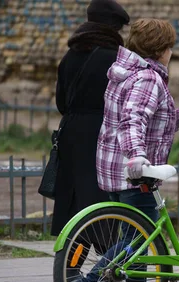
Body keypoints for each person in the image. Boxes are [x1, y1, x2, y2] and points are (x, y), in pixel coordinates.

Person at [69, 18, 179, 282]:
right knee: (138, 241)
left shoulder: (126, 72)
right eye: (170, 47)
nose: (172, 52)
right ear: (160, 50)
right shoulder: (147, 79)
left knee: (136, 238)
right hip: (134, 173)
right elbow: (133, 120)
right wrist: (138, 158)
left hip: (113, 169)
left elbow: (157, 113)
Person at [51, 0, 130, 239]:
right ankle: (106, 266)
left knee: (74, 201)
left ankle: (70, 267)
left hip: (71, 134)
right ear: (113, 27)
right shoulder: (117, 59)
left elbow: (61, 103)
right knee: (99, 203)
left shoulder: (69, 56)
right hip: (103, 136)